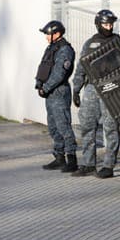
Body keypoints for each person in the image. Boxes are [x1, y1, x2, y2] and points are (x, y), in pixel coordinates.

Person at [71, 9, 120, 178]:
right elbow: (81, 68)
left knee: (110, 127)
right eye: (106, 24)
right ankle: (88, 163)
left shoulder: (119, 43)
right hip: (91, 88)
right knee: (87, 126)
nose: (109, 27)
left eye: (111, 24)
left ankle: (108, 165)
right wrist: (76, 89)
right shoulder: (90, 44)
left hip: (112, 89)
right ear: (98, 24)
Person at [35, 20, 78, 173]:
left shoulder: (65, 50)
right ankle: (59, 157)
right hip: (50, 93)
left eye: (48, 34)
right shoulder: (52, 47)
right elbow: (45, 67)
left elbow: (60, 73)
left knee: (63, 126)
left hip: (59, 92)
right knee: (53, 127)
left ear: (57, 34)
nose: (46, 37)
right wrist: (40, 85)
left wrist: (45, 88)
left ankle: (72, 159)